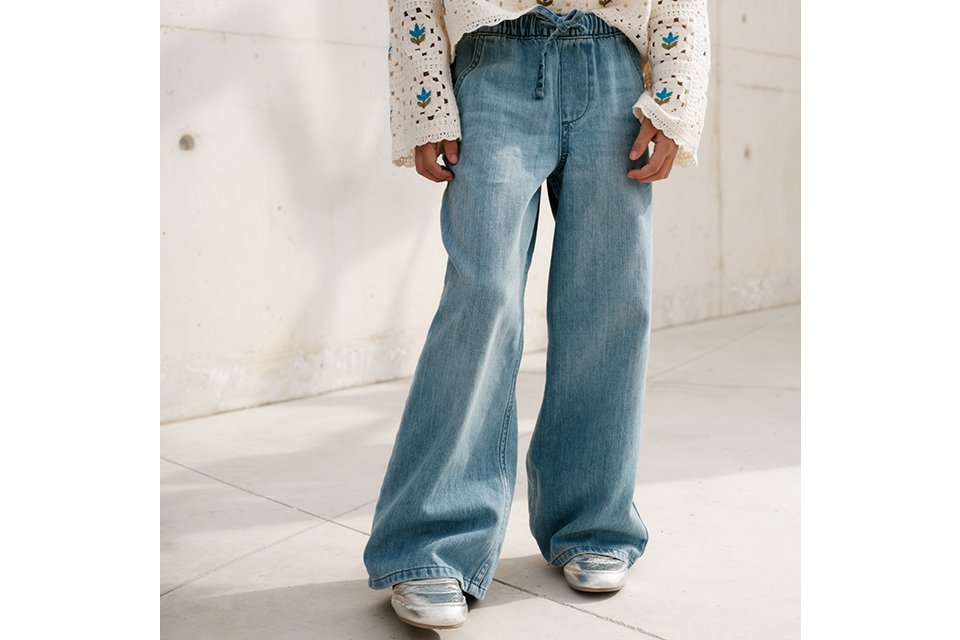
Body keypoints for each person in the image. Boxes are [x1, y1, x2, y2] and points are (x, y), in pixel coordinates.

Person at [363, 0, 711, 630]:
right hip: (494, 62)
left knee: (608, 301)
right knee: (482, 296)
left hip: (613, 64)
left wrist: (675, 99)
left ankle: (593, 522)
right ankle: (430, 544)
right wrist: (426, 103)